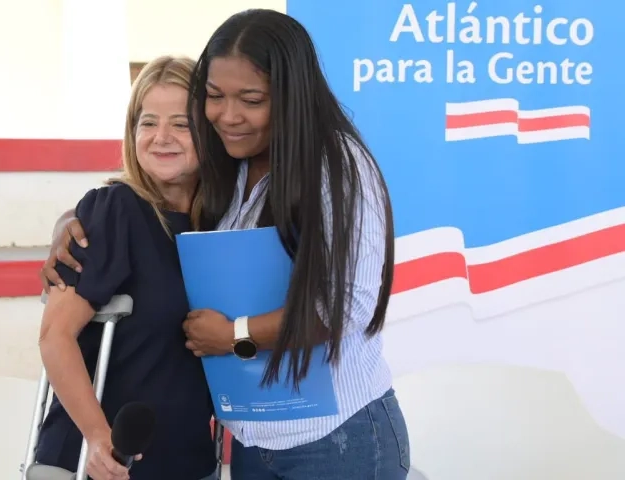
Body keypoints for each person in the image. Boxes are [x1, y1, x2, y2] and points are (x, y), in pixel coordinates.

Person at [41, 9, 411, 480]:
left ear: (290, 97)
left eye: (251, 99)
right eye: (214, 97)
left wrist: (234, 335)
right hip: (253, 443)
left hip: (333, 440)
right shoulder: (231, 174)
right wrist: (77, 218)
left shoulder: (336, 166)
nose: (228, 116)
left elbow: (347, 306)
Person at [35, 55, 217, 480]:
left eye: (181, 124)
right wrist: (99, 438)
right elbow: (54, 336)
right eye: (148, 122)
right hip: (100, 464)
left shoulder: (221, 222)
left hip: (187, 462)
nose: (161, 137)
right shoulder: (112, 210)